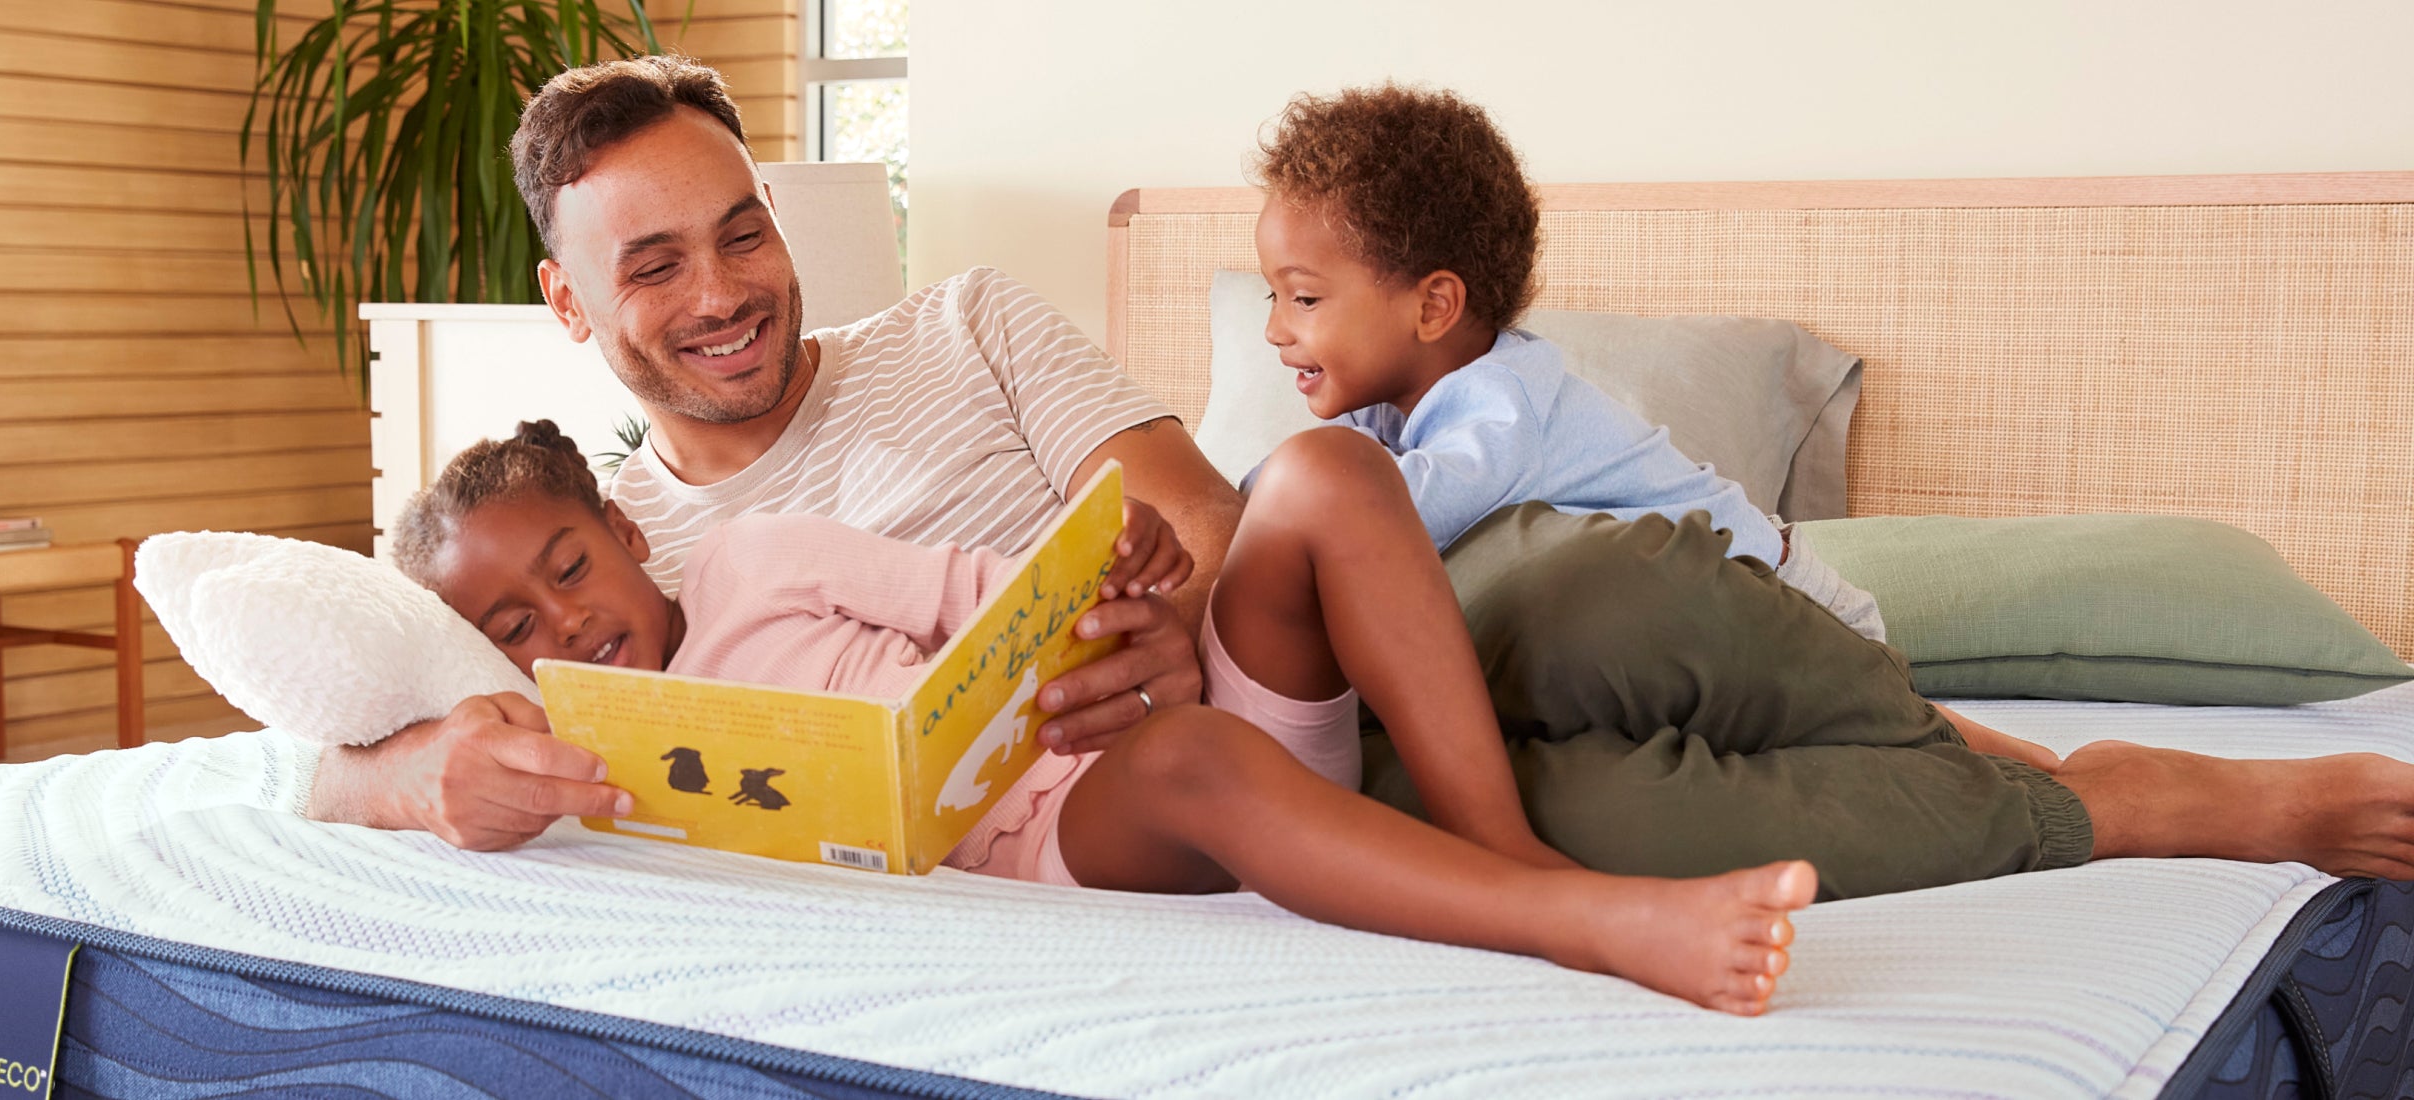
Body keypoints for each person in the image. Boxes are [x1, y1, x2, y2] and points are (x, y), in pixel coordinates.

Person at [1228, 81, 2414, 897]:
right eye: (1273, 296)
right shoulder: (1395, 413)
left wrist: (1253, 528)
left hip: (1765, 599)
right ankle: (2069, 782)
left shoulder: (1497, 401)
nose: (1277, 328)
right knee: (1919, 743)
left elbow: (1391, 512)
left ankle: (2098, 791)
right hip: (1594, 668)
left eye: (1303, 295)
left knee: (1901, 732)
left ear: (1435, 305)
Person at [392, 420, 1816, 1015]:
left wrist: (1114, 589)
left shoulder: (757, 557)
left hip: (1106, 720)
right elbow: (356, 757)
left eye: (568, 568)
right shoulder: (587, 766)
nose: (565, 621)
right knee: (1188, 757)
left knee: (1321, 467)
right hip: (1084, 828)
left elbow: (985, 593)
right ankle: (1600, 928)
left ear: (628, 535)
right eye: (516, 623)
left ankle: (1509, 853)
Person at [304, 56, 1245, 853]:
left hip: (1189, 758)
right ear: (568, 303)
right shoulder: (610, 575)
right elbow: (327, 764)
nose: (721, 297)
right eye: (655, 267)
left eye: (743, 235)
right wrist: (416, 778)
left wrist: (1177, 634)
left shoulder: (971, 324)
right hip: (1024, 858)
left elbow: (1203, 517)